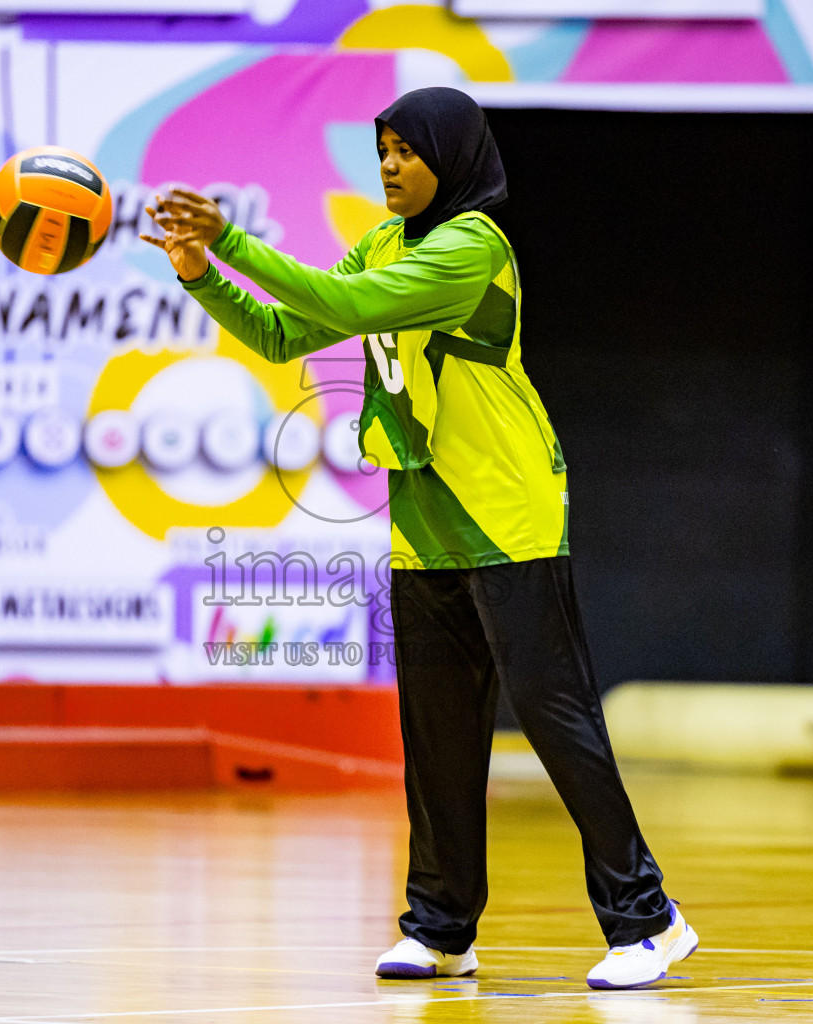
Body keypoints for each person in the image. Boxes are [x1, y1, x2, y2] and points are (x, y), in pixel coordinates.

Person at [141, 87, 696, 989]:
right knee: (436, 734)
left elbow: (346, 305)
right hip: (426, 516)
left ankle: (649, 918)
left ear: (454, 156)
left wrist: (235, 242)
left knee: (557, 721)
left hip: (508, 509)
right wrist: (202, 272)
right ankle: (441, 927)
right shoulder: (382, 242)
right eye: (382, 149)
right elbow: (286, 333)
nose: (390, 165)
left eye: (407, 149)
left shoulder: (474, 248)